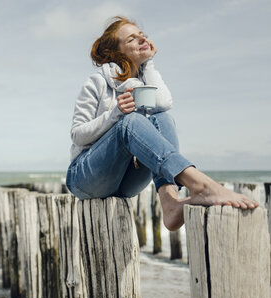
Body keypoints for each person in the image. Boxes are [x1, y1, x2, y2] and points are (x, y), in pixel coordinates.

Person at [65, 16, 259, 231]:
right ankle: (200, 185)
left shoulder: (144, 80)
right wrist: (114, 114)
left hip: (125, 183)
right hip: (86, 177)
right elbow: (77, 135)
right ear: (116, 51)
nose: (141, 39)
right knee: (130, 121)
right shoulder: (98, 82)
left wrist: (148, 62)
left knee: (163, 117)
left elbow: (165, 103)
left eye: (142, 36)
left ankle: (170, 202)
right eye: (131, 39)